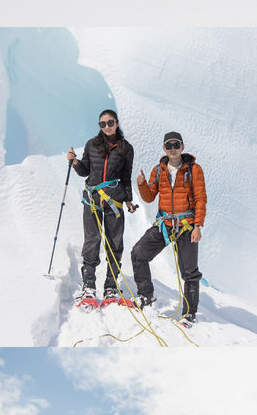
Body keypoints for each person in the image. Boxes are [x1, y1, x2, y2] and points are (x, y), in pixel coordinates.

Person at [131, 131, 207, 324]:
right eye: (169, 145)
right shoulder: (158, 170)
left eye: (176, 145)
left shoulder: (194, 170)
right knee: (139, 253)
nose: (172, 149)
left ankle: (189, 314)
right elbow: (149, 197)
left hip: (186, 225)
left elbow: (200, 199)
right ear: (164, 148)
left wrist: (197, 226)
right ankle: (145, 296)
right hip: (164, 224)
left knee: (189, 272)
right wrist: (141, 185)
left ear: (182, 147)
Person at [67, 109, 136, 304]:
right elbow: (85, 171)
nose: (107, 126)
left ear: (117, 123)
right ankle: (89, 286)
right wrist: (75, 162)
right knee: (92, 240)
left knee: (115, 242)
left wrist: (129, 199)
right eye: (102, 124)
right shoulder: (92, 145)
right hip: (93, 199)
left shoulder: (125, 148)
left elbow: (126, 177)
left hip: (114, 201)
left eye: (110, 122)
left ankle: (111, 287)